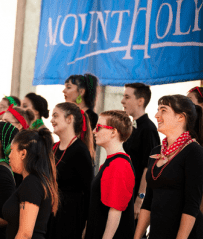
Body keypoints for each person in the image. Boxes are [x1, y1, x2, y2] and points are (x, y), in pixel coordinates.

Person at [134, 95, 203, 239]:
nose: (156, 115)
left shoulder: (193, 151)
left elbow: (192, 205)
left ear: (181, 117)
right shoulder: (156, 152)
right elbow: (149, 200)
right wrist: (137, 236)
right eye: (158, 110)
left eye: (163, 110)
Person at [47, 102, 94, 239]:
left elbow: (89, 192)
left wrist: (87, 224)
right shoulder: (53, 148)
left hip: (70, 217)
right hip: (51, 214)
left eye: (56, 116)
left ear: (69, 119)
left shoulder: (80, 150)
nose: (52, 120)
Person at [85, 110, 134, 239]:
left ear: (113, 132)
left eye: (99, 127)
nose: (94, 131)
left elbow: (115, 211)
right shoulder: (112, 162)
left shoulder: (119, 164)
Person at [2, 128, 59, 239]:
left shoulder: (32, 183)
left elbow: (25, 234)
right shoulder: (33, 181)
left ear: (23, 154)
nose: (9, 155)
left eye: (12, 150)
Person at [121, 83, 160, 223]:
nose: (122, 101)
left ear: (140, 101)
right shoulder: (132, 126)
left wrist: (140, 199)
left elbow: (148, 166)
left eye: (127, 97)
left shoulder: (148, 129)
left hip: (135, 196)